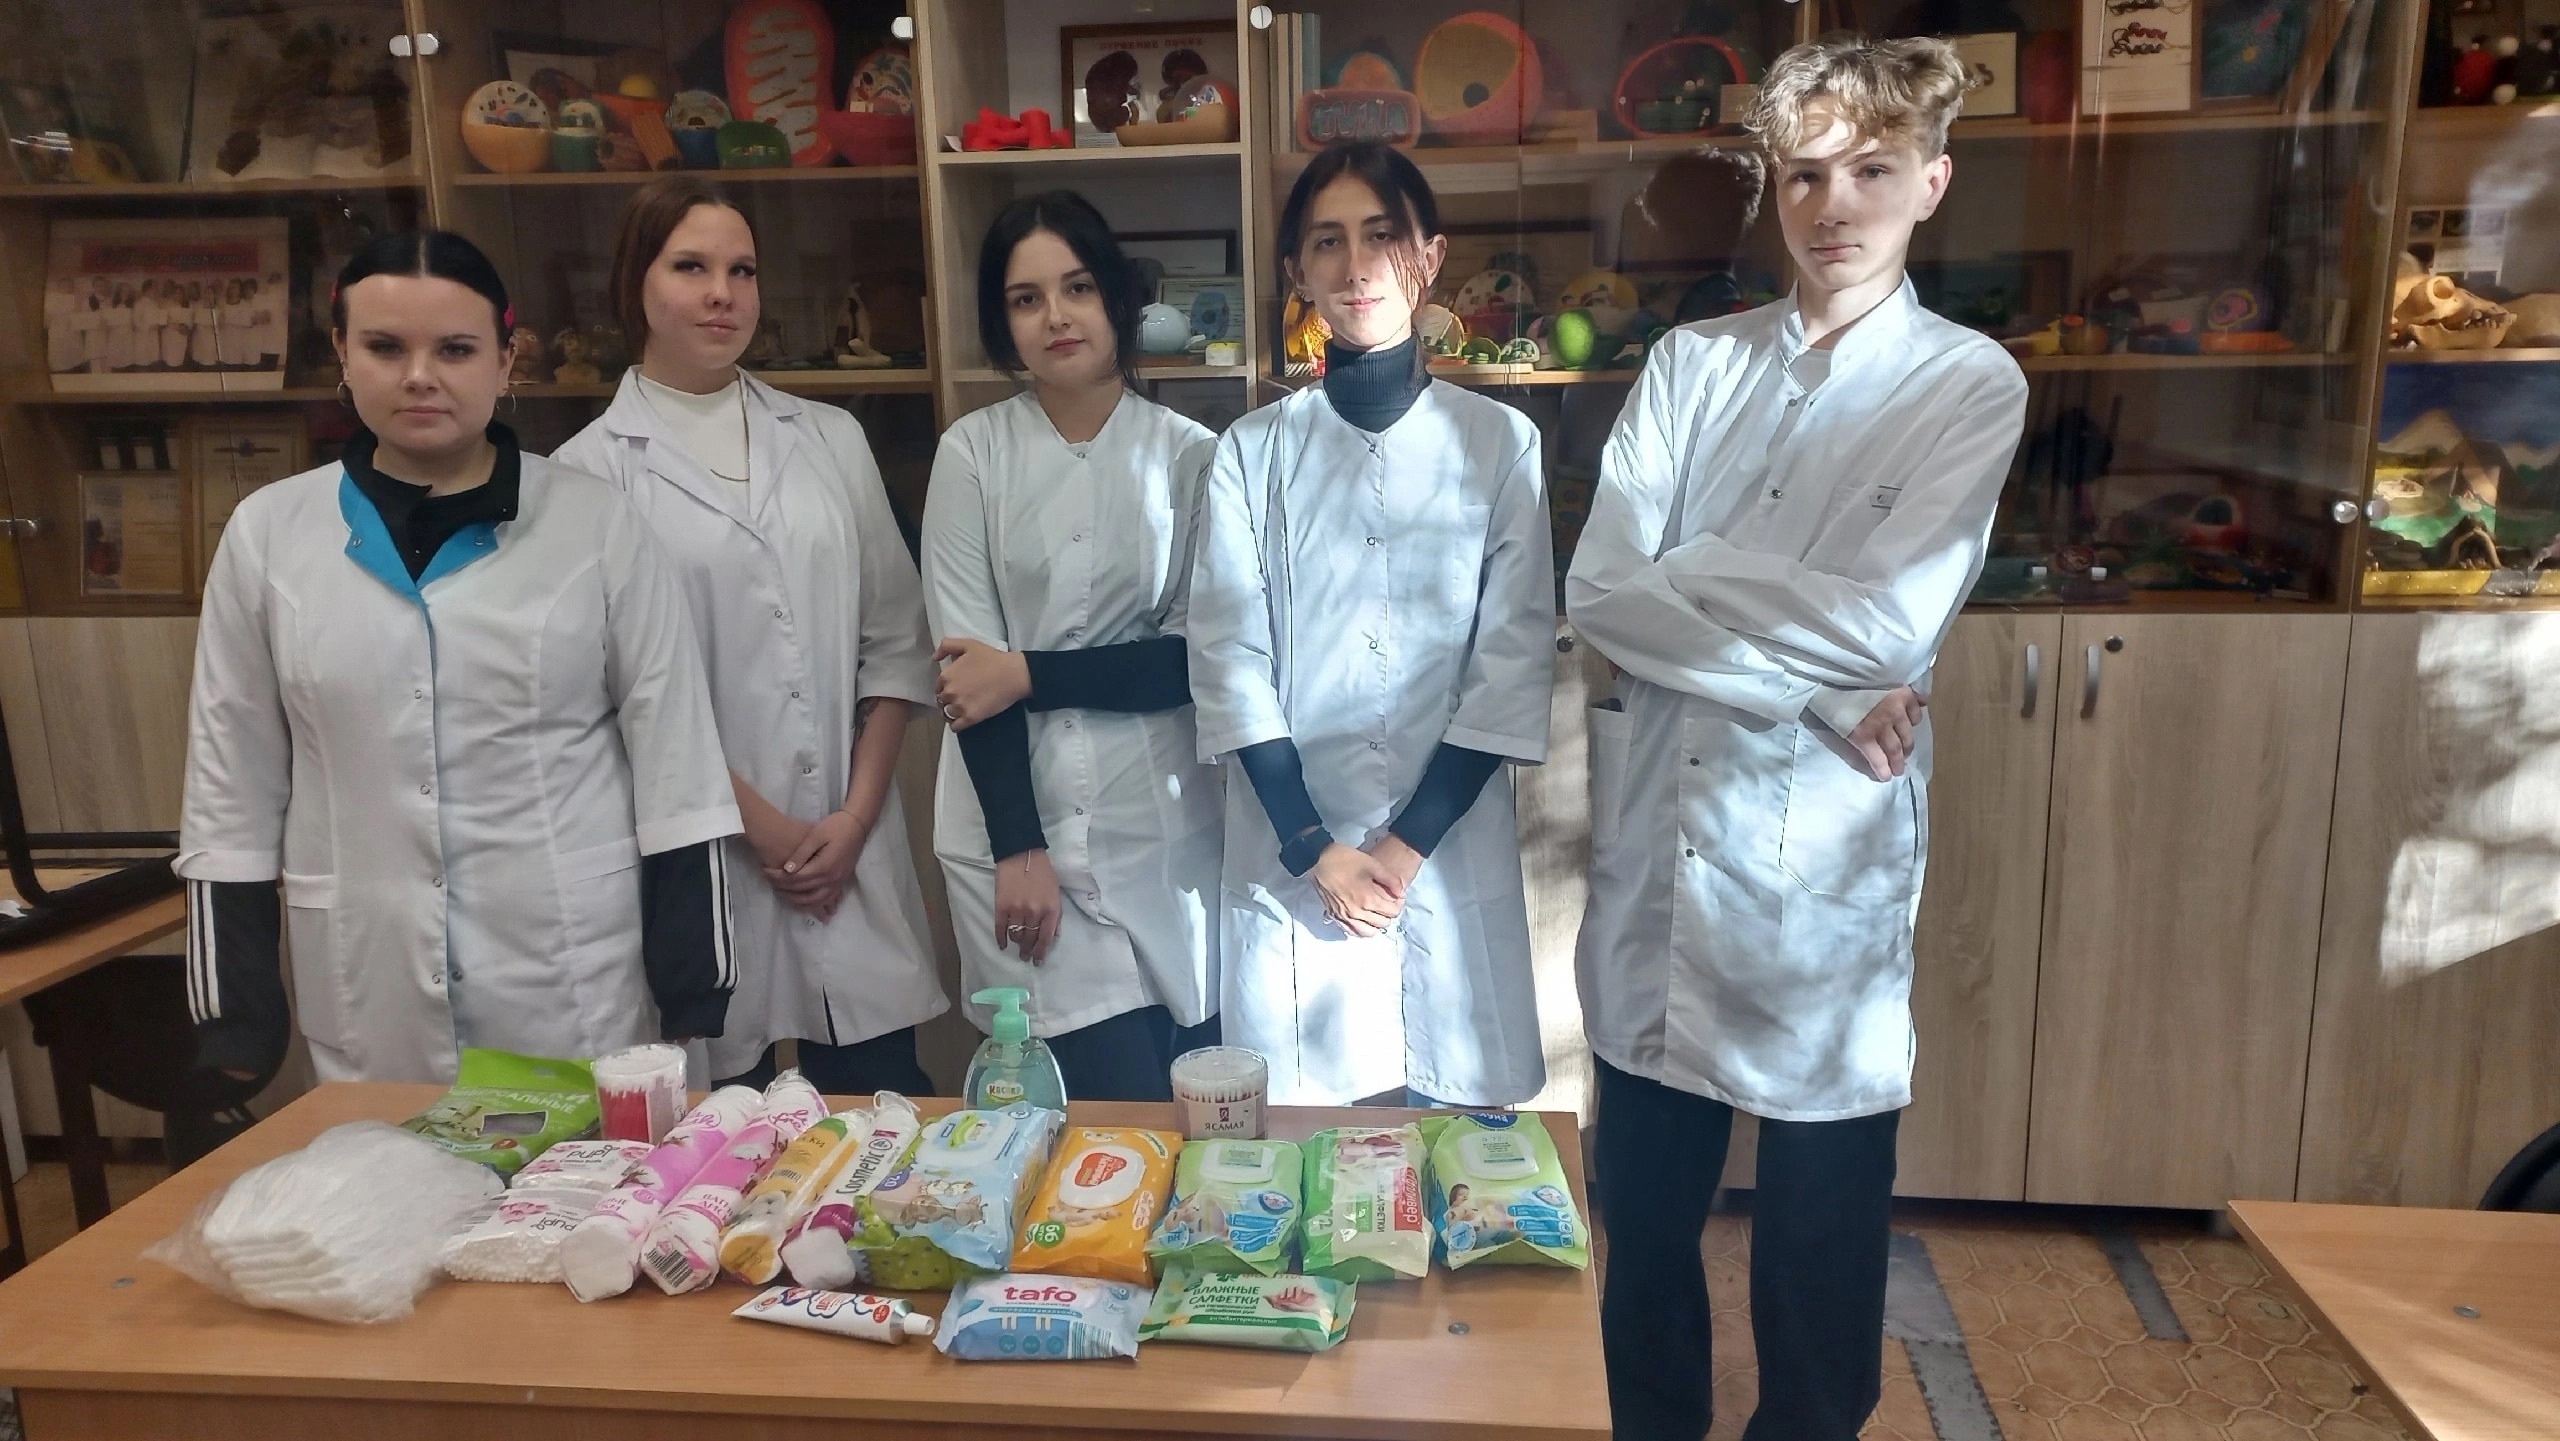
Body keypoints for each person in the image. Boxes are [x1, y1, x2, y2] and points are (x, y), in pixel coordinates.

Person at [1565, 37, 2031, 1441]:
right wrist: (1817, 690)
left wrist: (1696, 568)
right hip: (1671, 849)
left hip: (1819, 868)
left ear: (1931, 182)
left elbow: (1888, 620)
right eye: (1805, 175)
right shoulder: (1693, 363)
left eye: (1872, 171)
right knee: (1645, 1224)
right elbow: (1600, 592)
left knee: (1818, 1247)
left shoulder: (1967, 383)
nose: (1834, 206)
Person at [177, 228, 740, 1087]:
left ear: (506, 359)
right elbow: (230, 785)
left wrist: (697, 980)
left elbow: (679, 761)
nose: (419, 376)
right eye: (385, 347)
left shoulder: (596, 525)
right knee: (385, 1170)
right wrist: (233, 1014)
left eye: (455, 349)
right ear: (342, 353)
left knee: (585, 1173)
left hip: (569, 980)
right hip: (371, 984)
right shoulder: (268, 536)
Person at [556, 177, 948, 1096]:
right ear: (636, 283)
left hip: (850, 841)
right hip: (709, 856)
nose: (721, 294)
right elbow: (621, 698)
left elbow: (894, 639)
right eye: (690, 267)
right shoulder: (586, 475)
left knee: (881, 1106)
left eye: (742, 270)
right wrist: (769, 833)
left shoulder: (830, 438)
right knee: (723, 1123)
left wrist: (853, 819)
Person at [1186, 141, 1555, 1109]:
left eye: (1382, 236)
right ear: (1296, 271)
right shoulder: (1250, 454)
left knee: (1454, 1150)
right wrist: (1314, 847)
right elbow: (1229, 663)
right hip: (1294, 863)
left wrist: (1402, 849)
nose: (1355, 267)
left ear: (1429, 257)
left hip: (1442, 856)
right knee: (1304, 1153)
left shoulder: (1500, 445)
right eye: (1327, 241)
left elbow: (1510, 664)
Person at [918, 190, 1223, 1101]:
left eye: (1078, 287)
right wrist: (1020, 847)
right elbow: (965, 677)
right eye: (1026, 298)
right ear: (1000, 321)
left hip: (1159, 829)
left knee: (1183, 1105)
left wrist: (1024, 672)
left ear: (1117, 298)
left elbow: (1193, 661)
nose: (1056, 316)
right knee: (1082, 1111)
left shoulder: (1191, 454)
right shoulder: (971, 454)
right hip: (1019, 829)